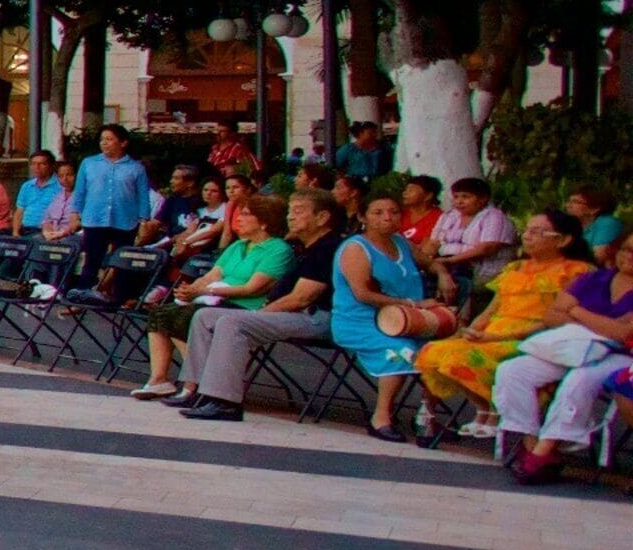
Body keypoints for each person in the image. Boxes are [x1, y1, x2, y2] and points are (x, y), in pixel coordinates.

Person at [414, 208, 595, 431]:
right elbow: (491, 310)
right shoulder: (515, 268)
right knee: (433, 351)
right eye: (527, 230)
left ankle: (494, 411)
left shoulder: (577, 272)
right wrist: (472, 329)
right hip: (490, 333)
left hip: (534, 338)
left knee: (460, 357)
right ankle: (482, 408)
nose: (527, 236)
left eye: (537, 232)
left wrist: (495, 336)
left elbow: (558, 320)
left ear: (563, 240)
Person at [180, 191, 352, 422]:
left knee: (233, 322)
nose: (291, 216)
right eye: (290, 210)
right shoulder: (306, 246)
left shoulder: (328, 248)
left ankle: (225, 402)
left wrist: (260, 315)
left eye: (299, 211)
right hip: (295, 314)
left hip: (317, 317)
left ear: (322, 217)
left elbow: (301, 298)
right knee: (204, 316)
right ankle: (197, 392)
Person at [491, 225, 633, 485]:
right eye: (626, 250)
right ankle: (530, 441)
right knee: (513, 370)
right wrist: (598, 323)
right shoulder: (594, 279)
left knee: (582, 378)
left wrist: (577, 312)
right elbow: (552, 315)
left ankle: (544, 450)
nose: (629, 256)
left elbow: (621, 334)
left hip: (621, 354)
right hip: (573, 345)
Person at [132, 198, 295, 401]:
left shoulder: (278, 250)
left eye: (245, 214)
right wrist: (192, 289)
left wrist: (206, 292)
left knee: (181, 317)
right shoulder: (237, 246)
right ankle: (159, 379)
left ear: (264, 222)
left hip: (244, 306)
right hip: (215, 298)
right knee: (161, 313)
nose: (239, 219)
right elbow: (213, 275)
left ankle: (199, 381)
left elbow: (252, 288)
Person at [333, 189, 436, 441]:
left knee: (438, 351)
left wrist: (442, 274)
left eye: (393, 212)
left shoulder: (401, 243)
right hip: (361, 320)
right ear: (363, 217)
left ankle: (427, 416)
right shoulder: (356, 248)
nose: (387, 218)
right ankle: (381, 418)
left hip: (407, 319)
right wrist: (412, 303)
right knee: (399, 350)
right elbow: (362, 294)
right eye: (378, 213)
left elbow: (429, 261)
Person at [72, 124, 153, 274]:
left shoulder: (136, 168)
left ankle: (120, 295)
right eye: (102, 139)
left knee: (123, 262)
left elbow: (143, 196)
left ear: (123, 143)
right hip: (94, 219)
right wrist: (75, 214)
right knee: (92, 261)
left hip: (125, 221)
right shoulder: (88, 163)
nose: (104, 143)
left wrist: (144, 221)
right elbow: (79, 191)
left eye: (109, 139)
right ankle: (83, 293)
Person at [437, 176, 517, 293]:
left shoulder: (494, 216)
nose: (459, 201)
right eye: (456, 197)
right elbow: (435, 242)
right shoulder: (451, 215)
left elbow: (487, 248)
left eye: (466, 197)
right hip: (450, 265)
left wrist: (450, 261)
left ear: (483, 199)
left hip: (482, 272)